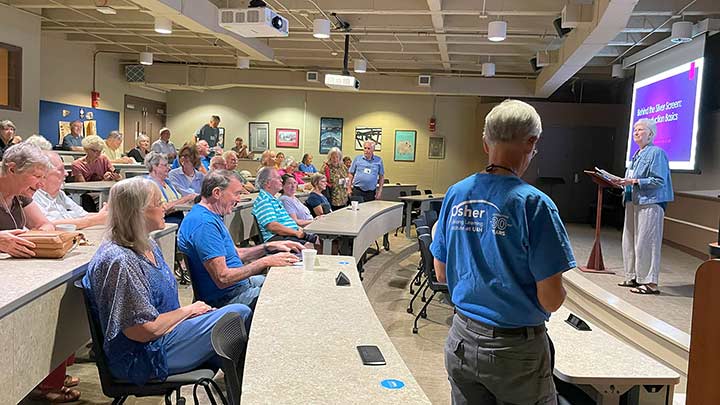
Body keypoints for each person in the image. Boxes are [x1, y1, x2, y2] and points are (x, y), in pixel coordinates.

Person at [431, 100, 575, 405]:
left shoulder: (456, 193)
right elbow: (552, 298)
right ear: (531, 142)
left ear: (486, 144)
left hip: (461, 340)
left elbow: (441, 273)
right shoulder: (534, 205)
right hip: (515, 353)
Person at [82, 177, 253, 386]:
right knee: (238, 313)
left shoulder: (149, 244)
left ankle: (240, 386)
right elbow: (142, 331)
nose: (165, 208)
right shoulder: (120, 261)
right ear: (139, 211)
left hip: (168, 334)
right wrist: (188, 311)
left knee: (234, 319)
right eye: (158, 203)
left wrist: (190, 314)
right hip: (144, 355)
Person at [0, 143, 80, 402]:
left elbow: (44, 223)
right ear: (11, 169)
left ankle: (42, 375)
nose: (40, 183)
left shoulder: (20, 196)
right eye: (36, 175)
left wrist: (44, 234)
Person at [178, 170, 302, 309]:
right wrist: (265, 261)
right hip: (227, 298)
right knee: (290, 295)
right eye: (236, 193)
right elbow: (223, 278)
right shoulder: (204, 224)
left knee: (287, 281)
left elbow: (236, 254)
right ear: (217, 193)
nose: (238, 199)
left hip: (240, 286)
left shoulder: (210, 216)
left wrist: (269, 246)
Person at [616, 118, 674, 295]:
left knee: (646, 242)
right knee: (630, 240)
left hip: (650, 201)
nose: (636, 132)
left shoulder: (657, 153)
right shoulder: (637, 154)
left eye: (640, 129)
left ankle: (650, 283)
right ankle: (633, 276)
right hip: (633, 200)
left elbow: (659, 180)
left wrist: (634, 181)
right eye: (635, 129)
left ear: (651, 134)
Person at [34, 152, 108, 229]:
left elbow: (83, 215)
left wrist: (107, 215)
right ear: (43, 175)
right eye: (60, 169)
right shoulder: (33, 197)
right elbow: (48, 224)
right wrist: (95, 220)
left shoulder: (60, 194)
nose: (66, 173)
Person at [252, 167, 318, 245]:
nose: (281, 180)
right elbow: (273, 226)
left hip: (288, 235)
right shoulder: (264, 201)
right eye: (278, 178)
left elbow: (287, 222)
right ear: (268, 183)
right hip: (278, 239)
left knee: (321, 239)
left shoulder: (273, 199)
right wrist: (296, 233)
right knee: (316, 244)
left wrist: (298, 230)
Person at [145, 152, 195, 224]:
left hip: (179, 217)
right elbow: (163, 209)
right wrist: (187, 198)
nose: (169, 168)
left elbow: (179, 200)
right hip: (165, 221)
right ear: (154, 167)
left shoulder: (168, 183)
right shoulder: (150, 185)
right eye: (165, 165)